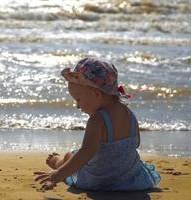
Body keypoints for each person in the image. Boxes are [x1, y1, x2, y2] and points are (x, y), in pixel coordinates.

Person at [34, 57, 160, 191]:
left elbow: (86, 153)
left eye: (78, 99)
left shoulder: (97, 120)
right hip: (129, 180)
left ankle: (57, 162)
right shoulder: (129, 114)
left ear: (96, 94)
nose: (77, 106)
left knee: (70, 156)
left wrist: (59, 175)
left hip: (98, 182)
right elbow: (136, 143)